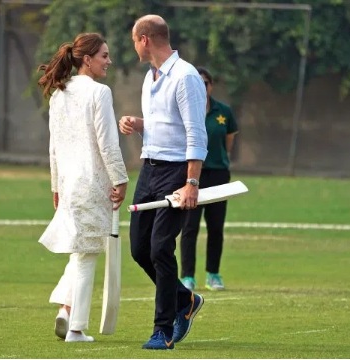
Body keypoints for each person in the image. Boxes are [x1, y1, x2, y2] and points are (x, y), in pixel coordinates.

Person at [118, 15, 208, 350]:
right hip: (149, 169)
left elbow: (195, 133)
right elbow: (165, 124)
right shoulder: (150, 76)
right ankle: (185, 300)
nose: (133, 46)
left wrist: (192, 182)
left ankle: (163, 329)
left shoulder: (185, 77)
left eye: (133, 39)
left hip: (176, 173)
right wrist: (139, 124)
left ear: (144, 39)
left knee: (160, 248)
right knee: (140, 248)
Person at [37, 32, 129, 343]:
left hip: (68, 184)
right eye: (104, 55)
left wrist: (55, 185)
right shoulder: (99, 93)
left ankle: (65, 311)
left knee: (81, 252)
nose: (109, 61)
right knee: (88, 253)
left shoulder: (59, 94)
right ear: (87, 60)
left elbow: (53, 147)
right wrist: (120, 178)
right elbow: (108, 142)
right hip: (92, 185)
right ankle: (76, 328)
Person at [180, 67, 239, 292]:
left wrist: (218, 160)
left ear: (211, 86)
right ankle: (187, 277)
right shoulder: (185, 109)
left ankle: (213, 274)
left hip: (218, 173)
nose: (202, 87)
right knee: (189, 226)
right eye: (198, 83)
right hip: (192, 174)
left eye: (206, 83)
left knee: (216, 226)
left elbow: (229, 142)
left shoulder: (223, 111)